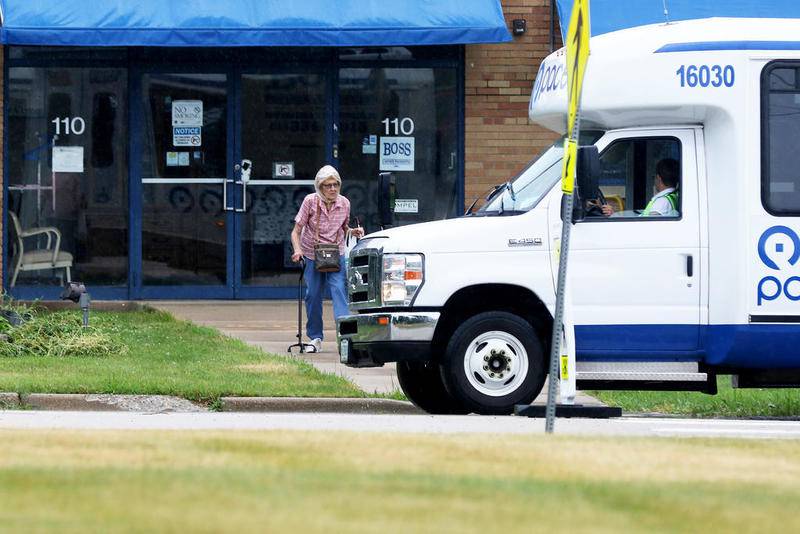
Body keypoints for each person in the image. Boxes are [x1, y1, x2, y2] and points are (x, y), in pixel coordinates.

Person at [290, 165, 364, 352]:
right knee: (313, 295)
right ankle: (315, 338)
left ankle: (345, 337)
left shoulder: (345, 203)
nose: (332, 189)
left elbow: (343, 227)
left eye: (335, 185)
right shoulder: (310, 201)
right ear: (319, 187)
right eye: (327, 185)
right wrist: (297, 250)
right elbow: (296, 231)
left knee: (339, 291)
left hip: (335, 252)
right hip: (311, 252)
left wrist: (352, 231)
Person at [594, 158, 680, 217]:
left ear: (658, 178)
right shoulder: (674, 196)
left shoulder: (661, 202)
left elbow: (644, 228)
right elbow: (640, 216)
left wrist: (613, 215)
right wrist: (614, 214)